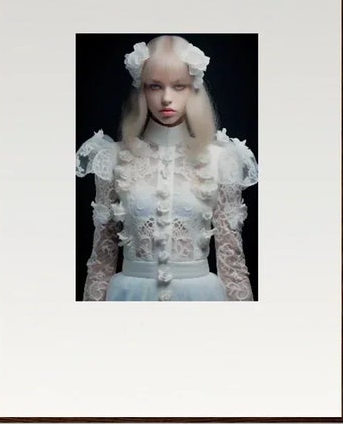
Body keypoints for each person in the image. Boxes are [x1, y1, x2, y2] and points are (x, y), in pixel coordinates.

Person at [75, 35, 258, 302]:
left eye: (179, 86)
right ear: (142, 90)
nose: (166, 98)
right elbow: (102, 259)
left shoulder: (222, 159)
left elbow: (232, 263)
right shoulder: (113, 158)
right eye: (155, 86)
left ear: (193, 88)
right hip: (130, 299)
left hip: (200, 300)